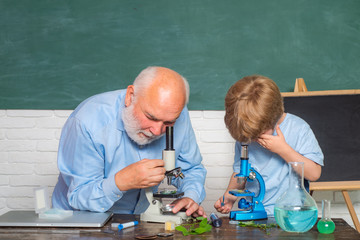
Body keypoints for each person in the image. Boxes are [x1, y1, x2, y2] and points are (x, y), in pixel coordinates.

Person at [52, 66, 207, 217]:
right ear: (130, 96)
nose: (157, 131)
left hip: (141, 220)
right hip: (80, 221)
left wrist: (190, 196)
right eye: (151, 117)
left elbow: (191, 168)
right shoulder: (87, 122)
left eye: (168, 123)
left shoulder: (174, 112)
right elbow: (79, 196)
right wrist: (120, 182)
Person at [214, 75, 324, 216]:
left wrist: (282, 149)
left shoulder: (298, 128)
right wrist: (229, 197)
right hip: (254, 211)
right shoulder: (246, 132)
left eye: (257, 134)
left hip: (290, 214)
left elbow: (314, 174)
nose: (252, 140)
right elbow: (240, 173)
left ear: (274, 118)